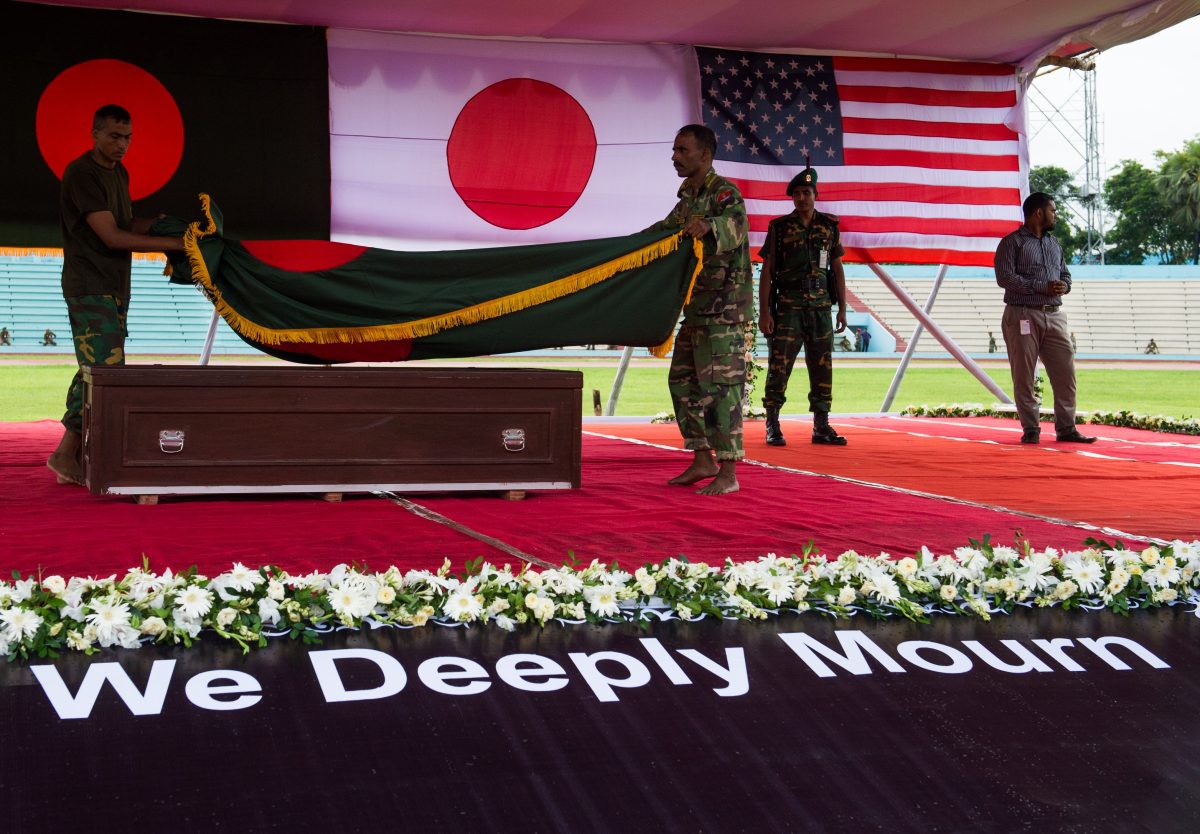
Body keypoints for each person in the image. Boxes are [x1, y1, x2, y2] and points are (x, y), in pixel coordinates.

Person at [47, 104, 184, 486]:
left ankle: (68, 452)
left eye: (127, 138)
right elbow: (111, 236)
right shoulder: (81, 174)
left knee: (97, 368)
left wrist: (160, 227)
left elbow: (125, 224)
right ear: (94, 134)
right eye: (113, 136)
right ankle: (68, 451)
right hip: (89, 285)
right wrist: (171, 242)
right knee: (105, 371)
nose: (122, 145)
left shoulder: (118, 173)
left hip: (113, 286)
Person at [645, 124, 751, 494]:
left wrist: (709, 225)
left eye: (682, 150)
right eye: (674, 150)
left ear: (704, 155)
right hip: (696, 310)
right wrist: (629, 248)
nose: (675, 156)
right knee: (684, 384)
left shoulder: (724, 193)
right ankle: (702, 457)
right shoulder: (688, 198)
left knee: (722, 390)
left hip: (723, 314)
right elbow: (664, 232)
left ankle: (728, 471)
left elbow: (736, 226)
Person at [994, 192, 1095, 445]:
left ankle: (1067, 428)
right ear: (1038, 213)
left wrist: (1064, 286)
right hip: (1022, 314)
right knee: (1024, 375)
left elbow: (1065, 275)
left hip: (1054, 315)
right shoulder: (1011, 243)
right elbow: (1005, 279)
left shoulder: (1054, 245)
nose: (1056, 215)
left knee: (1065, 373)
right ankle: (1031, 429)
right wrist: (1042, 287)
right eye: (1053, 210)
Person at [758, 164, 848, 446]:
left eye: (806, 192)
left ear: (815, 194)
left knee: (822, 367)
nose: (801, 198)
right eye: (796, 193)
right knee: (779, 366)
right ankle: (772, 424)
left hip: (821, 307)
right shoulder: (780, 227)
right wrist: (764, 312)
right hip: (788, 308)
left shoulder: (829, 226)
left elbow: (837, 268)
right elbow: (768, 271)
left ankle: (821, 426)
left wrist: (842, 308)